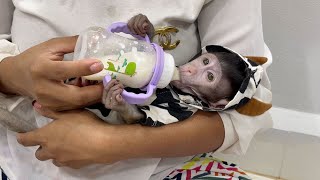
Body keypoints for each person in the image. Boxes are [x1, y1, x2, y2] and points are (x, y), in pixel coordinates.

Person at [0, 0, 272, 179]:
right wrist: (10, 74)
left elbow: (243, 114)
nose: (191, 70)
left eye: (208, 75)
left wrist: (111, 142)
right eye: (203, 62)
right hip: (19, 157)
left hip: (158, 168)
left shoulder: (181, 103)